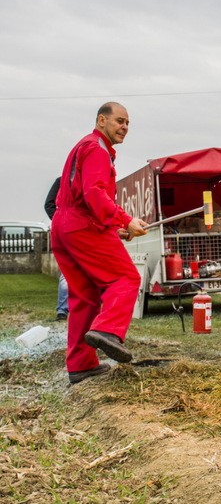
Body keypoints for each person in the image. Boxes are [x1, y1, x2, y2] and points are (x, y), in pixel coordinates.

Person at [51, 102, 148, 384]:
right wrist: (124, 219)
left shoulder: (85, 146)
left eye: (128, 123)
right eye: (119, 121)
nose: (124, 127)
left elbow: (81, 194)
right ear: (101, 120)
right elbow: (94, 194)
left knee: (85, 297)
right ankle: (108, 331)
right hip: (81, 223)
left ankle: (81, 365)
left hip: (64, 226)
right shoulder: (97, 148)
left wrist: (115, 226)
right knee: (126, 277)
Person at [44, 177, 69, 321]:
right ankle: (62, 309)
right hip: (66, 232)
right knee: (66, 272)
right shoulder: (61, 181)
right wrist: (61, 221)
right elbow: (49, 204)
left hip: (81, 231)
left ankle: (66, 308)